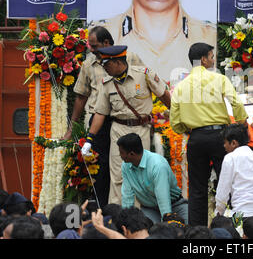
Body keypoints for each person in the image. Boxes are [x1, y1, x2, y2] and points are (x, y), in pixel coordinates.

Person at [64, 26, 145, 208]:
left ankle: (132, 208)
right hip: (98, 122)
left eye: (94, 46)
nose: (91, 50)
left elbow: (144, 82)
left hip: (123, 120)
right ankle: (105, 208)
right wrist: (71, 128)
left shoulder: (131, 58)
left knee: (127, 165)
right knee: (101, 167)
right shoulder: (88, 64)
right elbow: (81, 96)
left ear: (106, 43)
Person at [81, 45, 171, 205]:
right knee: (117, 175)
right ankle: (117, 213)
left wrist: (177, 114)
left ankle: (138, 213)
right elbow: (100, 112)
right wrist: (89, 139)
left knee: (140, 173)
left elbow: (164, 95)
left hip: (140, 130)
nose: (104, 68)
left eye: (106, 64)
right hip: (118, 130)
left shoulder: (144, 75)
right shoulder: (107, 83)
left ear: (117, 62)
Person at [170, 42, 248, 227]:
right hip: (221, 139)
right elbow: (236, 103)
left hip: (196, 140)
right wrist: (242, 122)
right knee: (230, 186)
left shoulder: (181, 86)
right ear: (203, 59)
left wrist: (189, 129)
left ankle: (197, 233)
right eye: (212, 57)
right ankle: (234, 229)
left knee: (197, 190)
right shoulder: (219, 79)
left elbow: (175, 122)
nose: (213, 60)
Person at [117, 133, 188, 224]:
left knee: (188, 230)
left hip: (175, 205)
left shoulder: (157, 165)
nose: (120, 155)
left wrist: (167, 223)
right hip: (149, 209)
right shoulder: (126, 165)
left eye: (121, 152)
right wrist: (126, 221)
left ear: (131, 154)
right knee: (146, 231)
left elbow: (163, 199)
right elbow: (127, 195)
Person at [214, 124, 253, 229]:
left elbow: (222, 193)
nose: (224, 146)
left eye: (225, 142)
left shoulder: (230, 158)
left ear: (233, 143)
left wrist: (218, 214)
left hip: (241, 217)